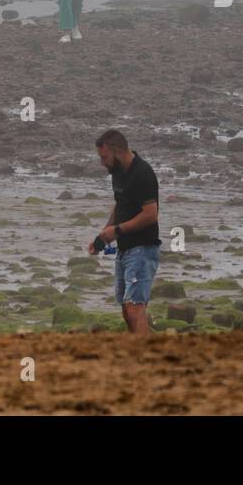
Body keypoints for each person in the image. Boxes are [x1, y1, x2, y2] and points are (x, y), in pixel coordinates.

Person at [88, 129, 160, 335]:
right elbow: (120, 205)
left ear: (118, 151)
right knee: (126, 308)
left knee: (134, 305)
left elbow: (151, 214)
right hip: (124, 250)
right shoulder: (118, 173)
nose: (102, 162)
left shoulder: (143, 173)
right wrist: (103, 236)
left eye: (104, 157)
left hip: (143, 249)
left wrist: (117, 230)